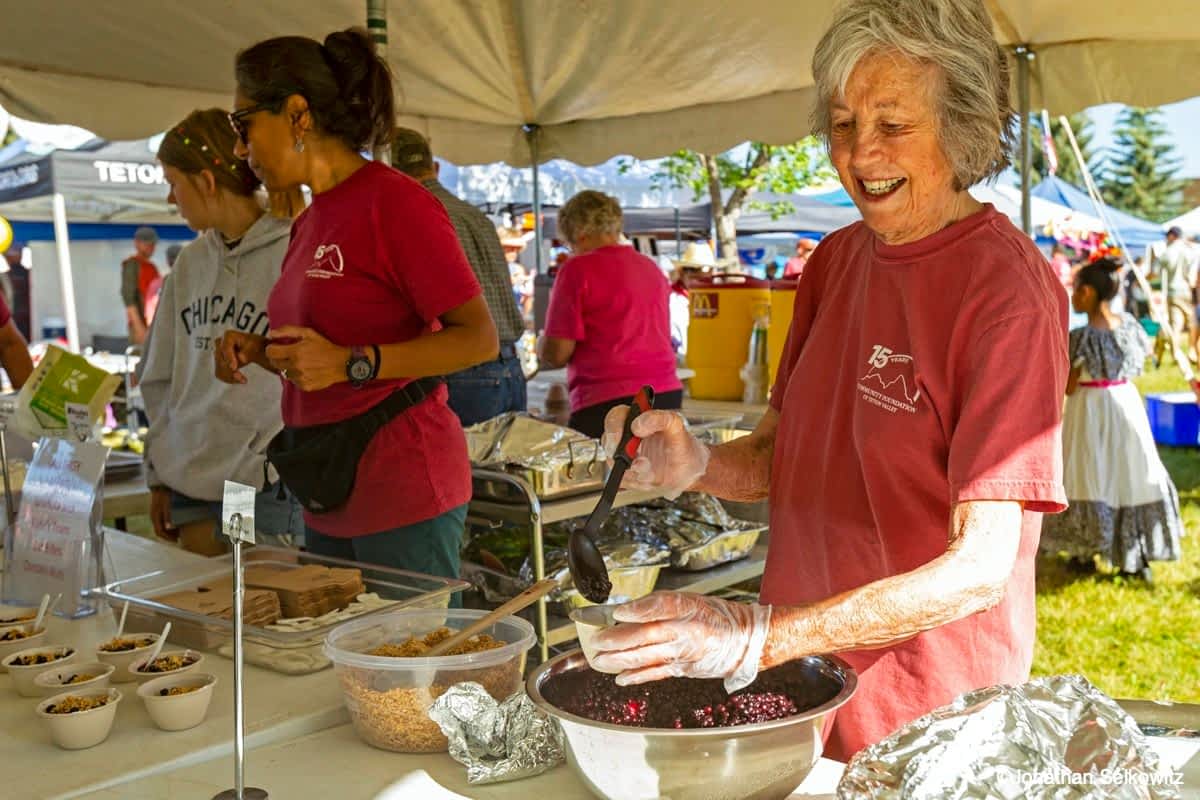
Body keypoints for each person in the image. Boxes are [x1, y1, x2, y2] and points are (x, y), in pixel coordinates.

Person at [590, 0, 1068, 761]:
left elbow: (980, 569)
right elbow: (779, 458)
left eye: (893, 124)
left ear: (963, 127)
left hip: (929, 711)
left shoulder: (1006, 292)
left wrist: (756, 636)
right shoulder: (836, 261)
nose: (860, 153)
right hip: (805, 685)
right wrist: (695, 463)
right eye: (843, 124)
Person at [215, 28, 498, 584]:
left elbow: (478, 338)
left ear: (297, 114)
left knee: (408, 643)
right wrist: (260, 351)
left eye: (242, 125)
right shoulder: (311, 220)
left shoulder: (395, 203)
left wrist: (353, 362)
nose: (240, 150)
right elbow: (319, 361)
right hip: (327, 487)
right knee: (338, 643)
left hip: (402, 486)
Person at [139, 108, 305, 556]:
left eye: (173, 183)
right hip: (189, 476)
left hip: (254, 478)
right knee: (202, 596)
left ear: (206, 182)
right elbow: (158, 375)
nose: (171, 199)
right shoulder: (190, 264)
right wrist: (158, 473)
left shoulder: (293, 250)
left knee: (254, 594)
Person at [1039, 258, 1181, 582]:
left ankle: (1085, 550)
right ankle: (1133, 554)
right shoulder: (1129, 327)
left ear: (1088, 293)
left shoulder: (1079, 337)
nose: (1072, 297)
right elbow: (1139, 363)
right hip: (1125, 403)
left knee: (1087, 471)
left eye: (1076, 290)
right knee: (1129, 470)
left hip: (1089, 409)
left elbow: (1069, 385)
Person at [391, 127, 527, 425]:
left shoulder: (413, 217)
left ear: (390, 176)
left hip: (465, 370)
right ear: (435, 168)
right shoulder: (475, 216)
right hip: (510, 367)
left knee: (467, 457)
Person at [538, 190, 682, 438]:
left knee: (602, 465)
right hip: (665, 392)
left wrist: (541, 345)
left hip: (607, 399)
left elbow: (558, 353)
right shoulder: (651, 268)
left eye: (570, 244)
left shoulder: (577, 269)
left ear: (579, 233)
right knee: (655, 464)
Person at [1151, 226, 1193, 355]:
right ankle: (1192, 352)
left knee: (1176, 325)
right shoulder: (1190, 250)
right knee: (1194, 323)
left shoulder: (1168, 252)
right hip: (1190, 291)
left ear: (1172, 236)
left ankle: (1176, 354)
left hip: (1174, 292)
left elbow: (1154, 273)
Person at [121, 226, 161, 344]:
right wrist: (139, 328)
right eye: (147, 243)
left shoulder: (152, 267)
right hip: (140, 325)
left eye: (153, 244)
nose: (151, 247)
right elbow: (128, 298)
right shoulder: (132, 265)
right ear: (137, 243)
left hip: (154, 324)